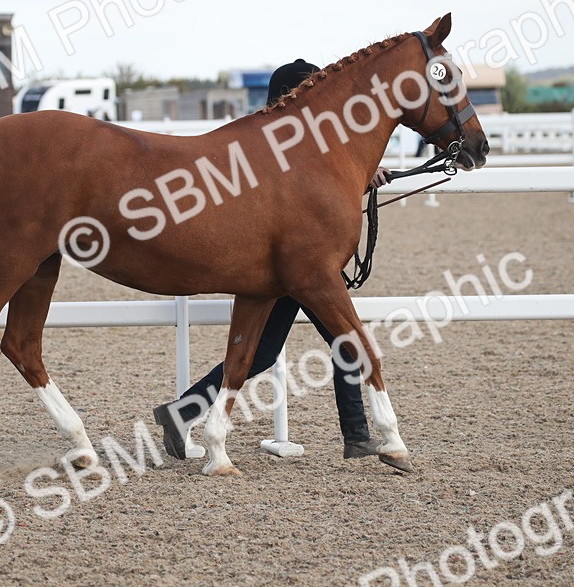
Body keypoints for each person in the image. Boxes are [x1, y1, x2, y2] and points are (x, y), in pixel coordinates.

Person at [153, 59, 409, 471]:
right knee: (339, 338)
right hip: (298, 267)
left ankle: (183, 411)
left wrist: (365, 174)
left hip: (293, 265)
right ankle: (359, 435)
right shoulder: (287, 148)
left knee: (275, 349)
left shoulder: (293, 145)